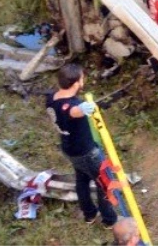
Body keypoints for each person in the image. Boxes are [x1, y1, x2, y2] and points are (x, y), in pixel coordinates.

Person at [45, 64, 118, 227]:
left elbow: (66, 110)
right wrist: (82, 109)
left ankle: (89, 214)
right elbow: (72, 111)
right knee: (105, 183)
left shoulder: (52, 98)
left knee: (82, 180)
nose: (83, 80)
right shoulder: (70, 107)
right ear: (77, 83)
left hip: (69, 148)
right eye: (82, 78)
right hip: (86, 152)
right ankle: (109, 219)